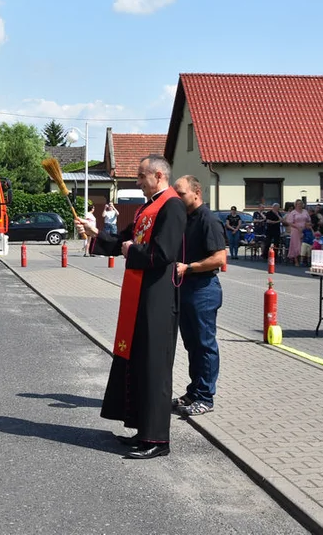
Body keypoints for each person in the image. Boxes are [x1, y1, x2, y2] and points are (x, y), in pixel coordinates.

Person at [75, 154, 185, 460]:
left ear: (159, 176)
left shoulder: (172, 206)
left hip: (159, 298)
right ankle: (142, 431)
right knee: (138, 364)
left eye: (141, 176)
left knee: (154, 368)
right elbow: (121, 240)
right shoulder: (145, 208)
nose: (137, 182)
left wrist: (132, 249)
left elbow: (163, 253)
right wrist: (93, 232)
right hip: (140, 296)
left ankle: (158, 441)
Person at [172, 176, 226, 417]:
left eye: (181, 194)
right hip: (186, 288)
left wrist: (189, 267)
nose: (177, 198)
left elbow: (219, 259)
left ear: (196, 192)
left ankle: (206, 397)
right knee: (192, 344)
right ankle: (194, 391)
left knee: (204, 345)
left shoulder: (208, 219)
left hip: (203, 289)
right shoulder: (184, 218)